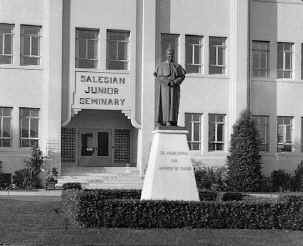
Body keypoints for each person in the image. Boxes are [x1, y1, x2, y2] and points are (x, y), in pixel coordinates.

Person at [154, 48, 186, 126]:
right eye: (168, 55)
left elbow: (182, 76)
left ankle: (172, 121)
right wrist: (167, 82)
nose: (170, 56)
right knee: (164, 104)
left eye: (171, 55)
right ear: (166, 55)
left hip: (174, 89)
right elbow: (158, 75)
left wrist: (175, 81)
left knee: (173, 105)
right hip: (164, 89)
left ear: (173, 55)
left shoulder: (177, 66)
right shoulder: (161, 65)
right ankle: (164, 121)